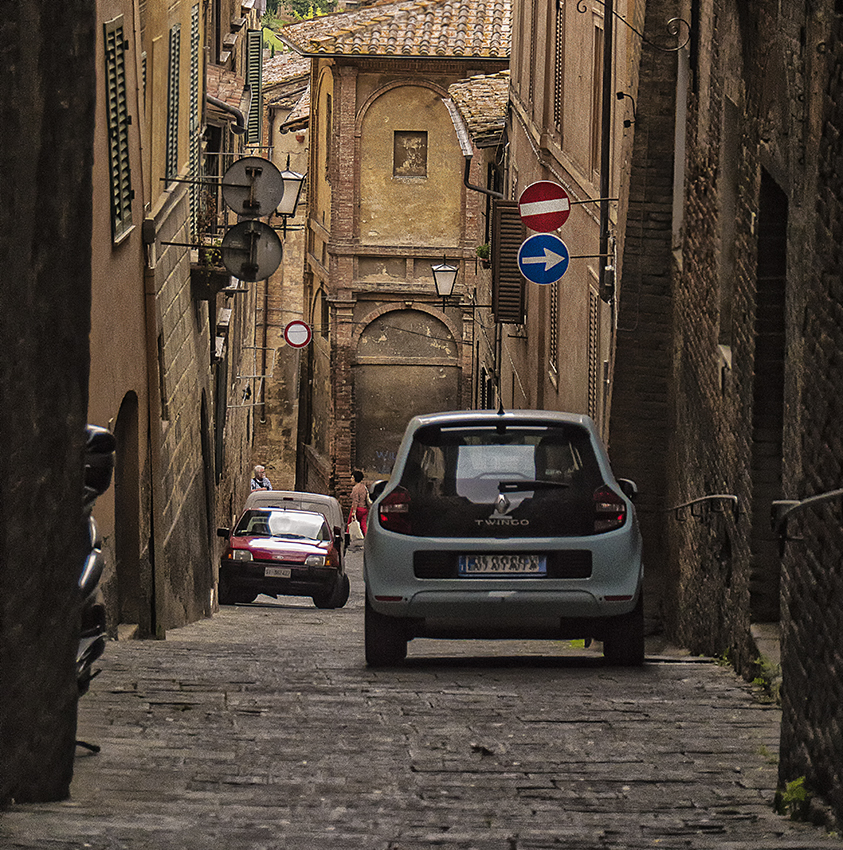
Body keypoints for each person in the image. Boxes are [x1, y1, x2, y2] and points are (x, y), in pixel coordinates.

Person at [349, 470, 370, 536]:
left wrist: (354, 511)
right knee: (363, 525)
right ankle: (366, 537)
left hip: (357, 509)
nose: (351, 479)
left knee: (349, 524)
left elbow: (355, 500)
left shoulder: (355, 488)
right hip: (364, 509)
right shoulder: (364, 487)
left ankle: (347, 538)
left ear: (355, 478)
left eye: (352, 478)